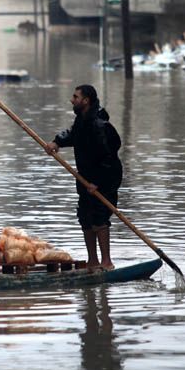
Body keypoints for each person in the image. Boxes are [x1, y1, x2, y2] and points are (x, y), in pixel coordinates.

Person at [43, 85, 122, 269]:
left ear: (86, 100)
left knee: (99, 218)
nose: (72, 100)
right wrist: (57, 142)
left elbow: (109, 158)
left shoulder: (101, 126)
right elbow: (72, 135)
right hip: (84, 178)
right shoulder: (82, 122)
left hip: (104, 181)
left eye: (75, 96)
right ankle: (92, 261)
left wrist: (98, 183)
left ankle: (107, 262)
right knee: (85, 218)